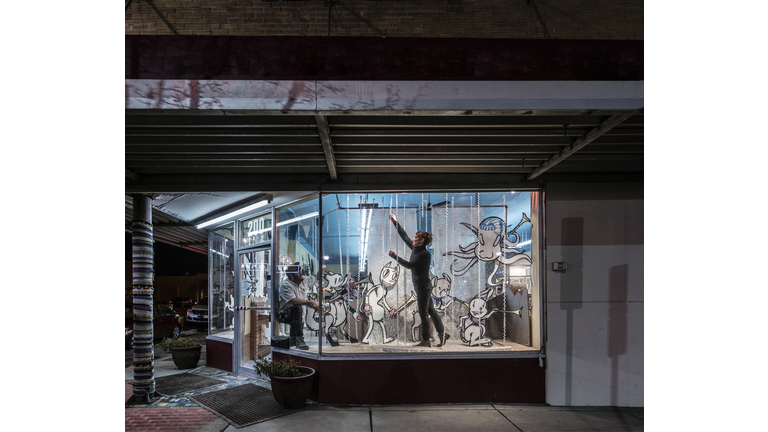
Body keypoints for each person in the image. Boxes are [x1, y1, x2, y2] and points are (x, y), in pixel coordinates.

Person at [388, 214, 449, 348]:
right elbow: (404, 236)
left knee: (423, 313)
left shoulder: (424, 254)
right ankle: (442, 333)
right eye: (415, 237)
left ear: (422, 241)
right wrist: (395, 222)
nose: (413, 239)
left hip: (423, 287)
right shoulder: (416, 248)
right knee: (431, 311)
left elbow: (410, 265)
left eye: (416, 237)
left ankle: (426, 340)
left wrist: (395, 257)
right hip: (421, 286)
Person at [278, 262, 322, 350]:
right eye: (298, 272)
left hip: (299, 312)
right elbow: (293, 301)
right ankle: (299, 341)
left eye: (300, 271)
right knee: (297, 308)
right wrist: (311, 302)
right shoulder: (286, 285)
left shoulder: (303, 280)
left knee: (298, 319)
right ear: (291, 275)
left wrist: (321, 269)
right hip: (285, 313)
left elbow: (316, 278)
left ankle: (293, 341)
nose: (301, 273)